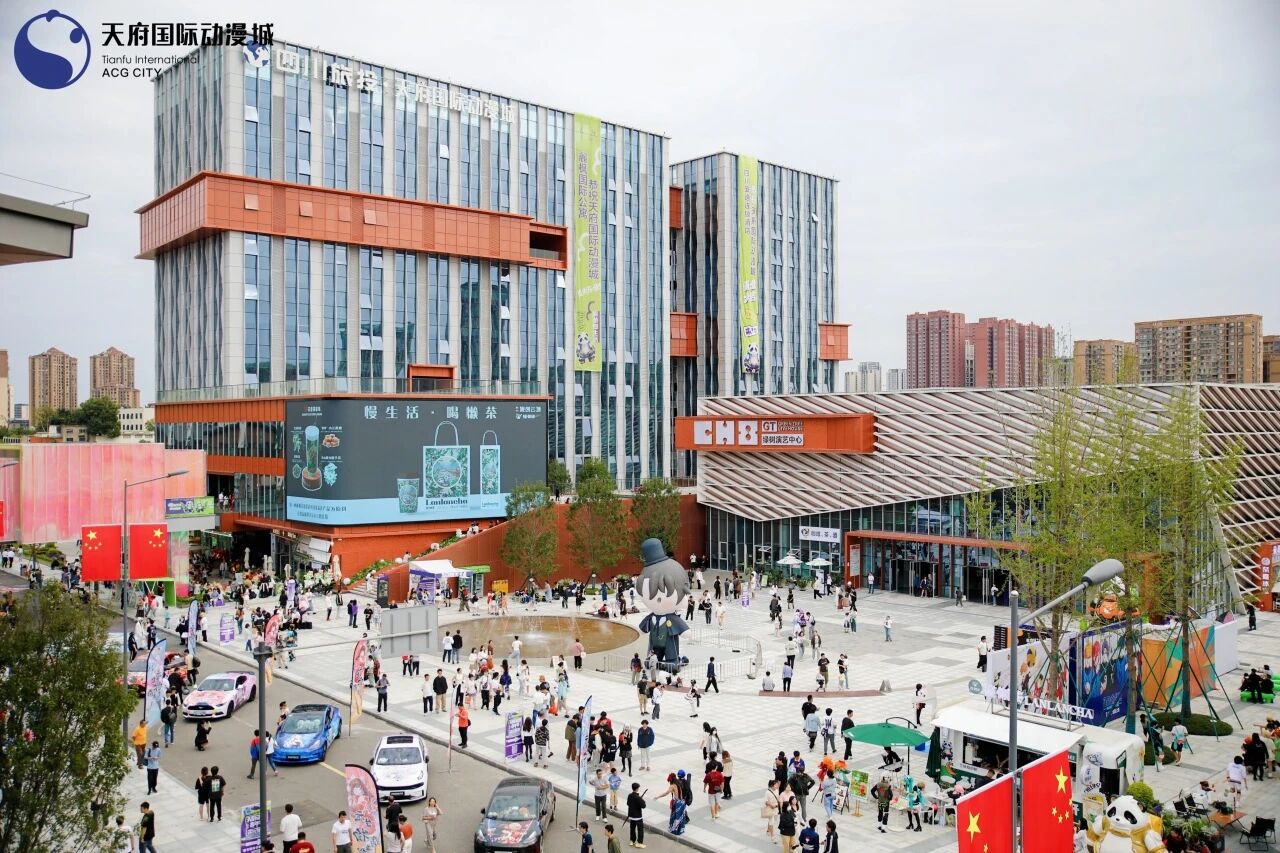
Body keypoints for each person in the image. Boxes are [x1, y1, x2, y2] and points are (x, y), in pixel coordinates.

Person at [625, 783, 647, 848]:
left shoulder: (629, 795)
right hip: (638, 817)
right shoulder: (638, 798)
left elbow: (628, 803)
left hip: (631, 816)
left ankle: (632, 841)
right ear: (637, 789)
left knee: (632, 829)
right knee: (640, 830)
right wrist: (643, 801)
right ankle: (639, 843)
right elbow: (644, 806)